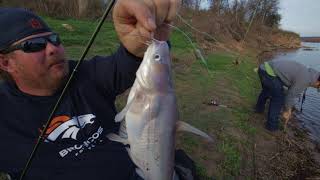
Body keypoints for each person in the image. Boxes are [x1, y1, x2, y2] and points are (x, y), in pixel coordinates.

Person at [0, 0, 197, 179]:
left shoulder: (86, 74)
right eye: (34, 45)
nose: (52, 48)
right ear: (6, 62)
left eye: (54, 38)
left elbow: (125, 64)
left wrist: (140, 40)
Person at [255, 60, 320, 131]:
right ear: (318, 81)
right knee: (278, 98)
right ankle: (271, 126)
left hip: (263, 68)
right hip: (268, 73)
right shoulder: (305, 80)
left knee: (267, 90)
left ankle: (258, 109)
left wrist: (288, 105)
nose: (316, 88)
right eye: (318, 87)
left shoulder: (308, 74)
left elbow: (290, 90)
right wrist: (287, 110)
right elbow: (290, 95)